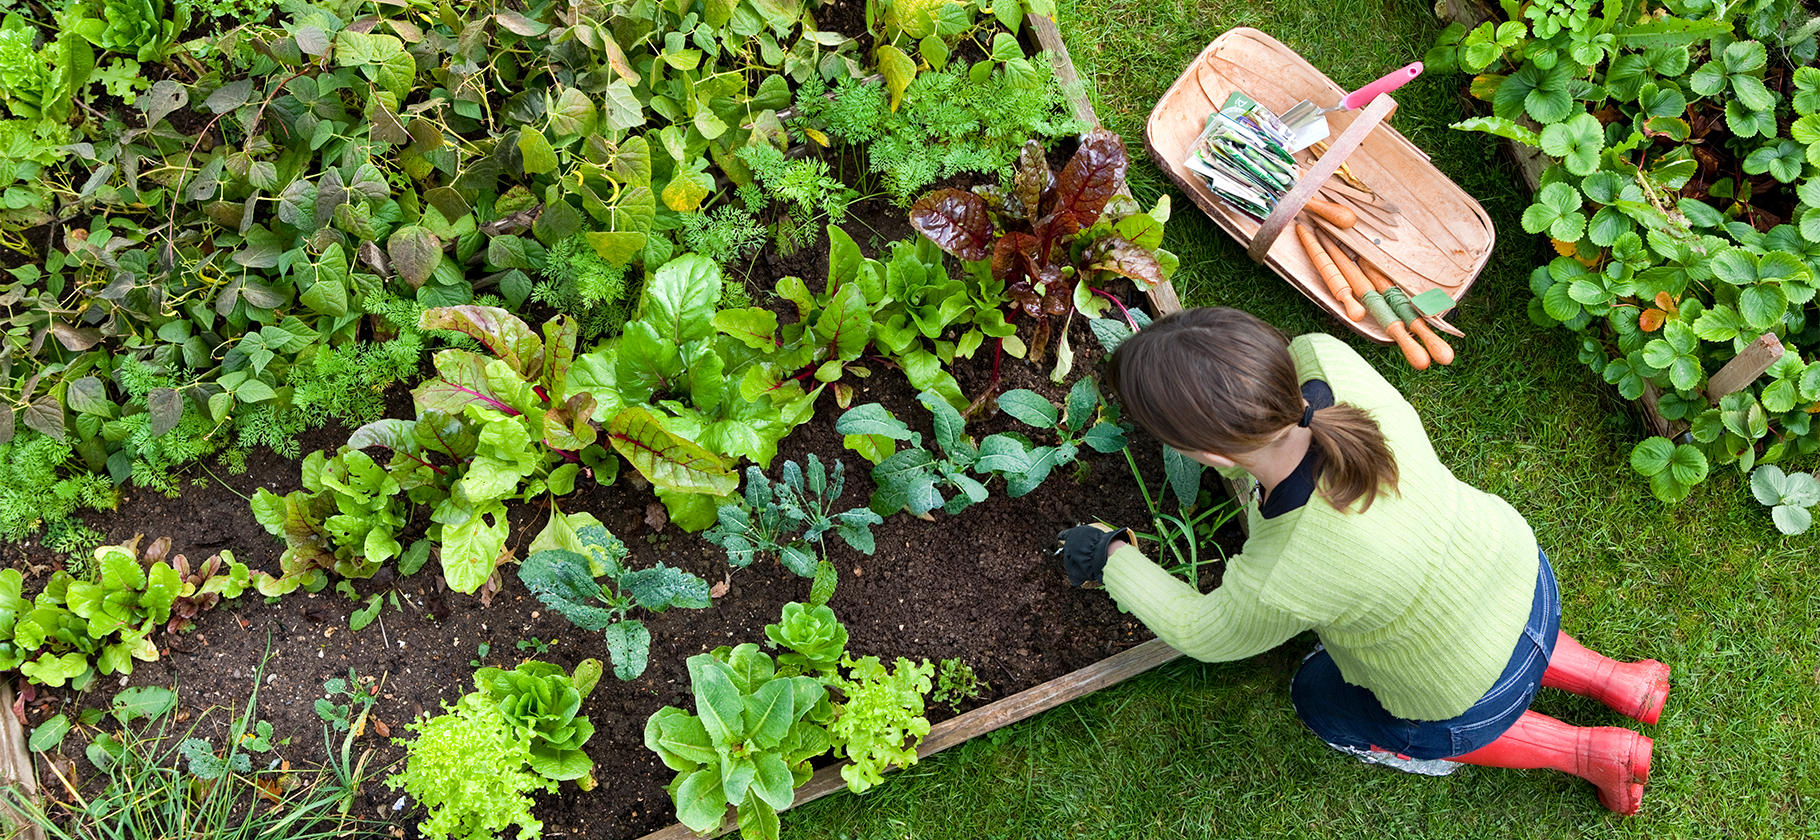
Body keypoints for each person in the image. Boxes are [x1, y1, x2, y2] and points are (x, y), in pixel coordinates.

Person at [1056, 307, 1670, 815]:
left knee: (1319, 697)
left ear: (1211, 456)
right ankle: (1620, 681)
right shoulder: (1326, 359)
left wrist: (1109, 556)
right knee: (1473, 623)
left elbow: (1203, 631)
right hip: (1520, 575)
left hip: (1463, 691)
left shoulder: (1285, 570)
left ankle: (1591, 753)